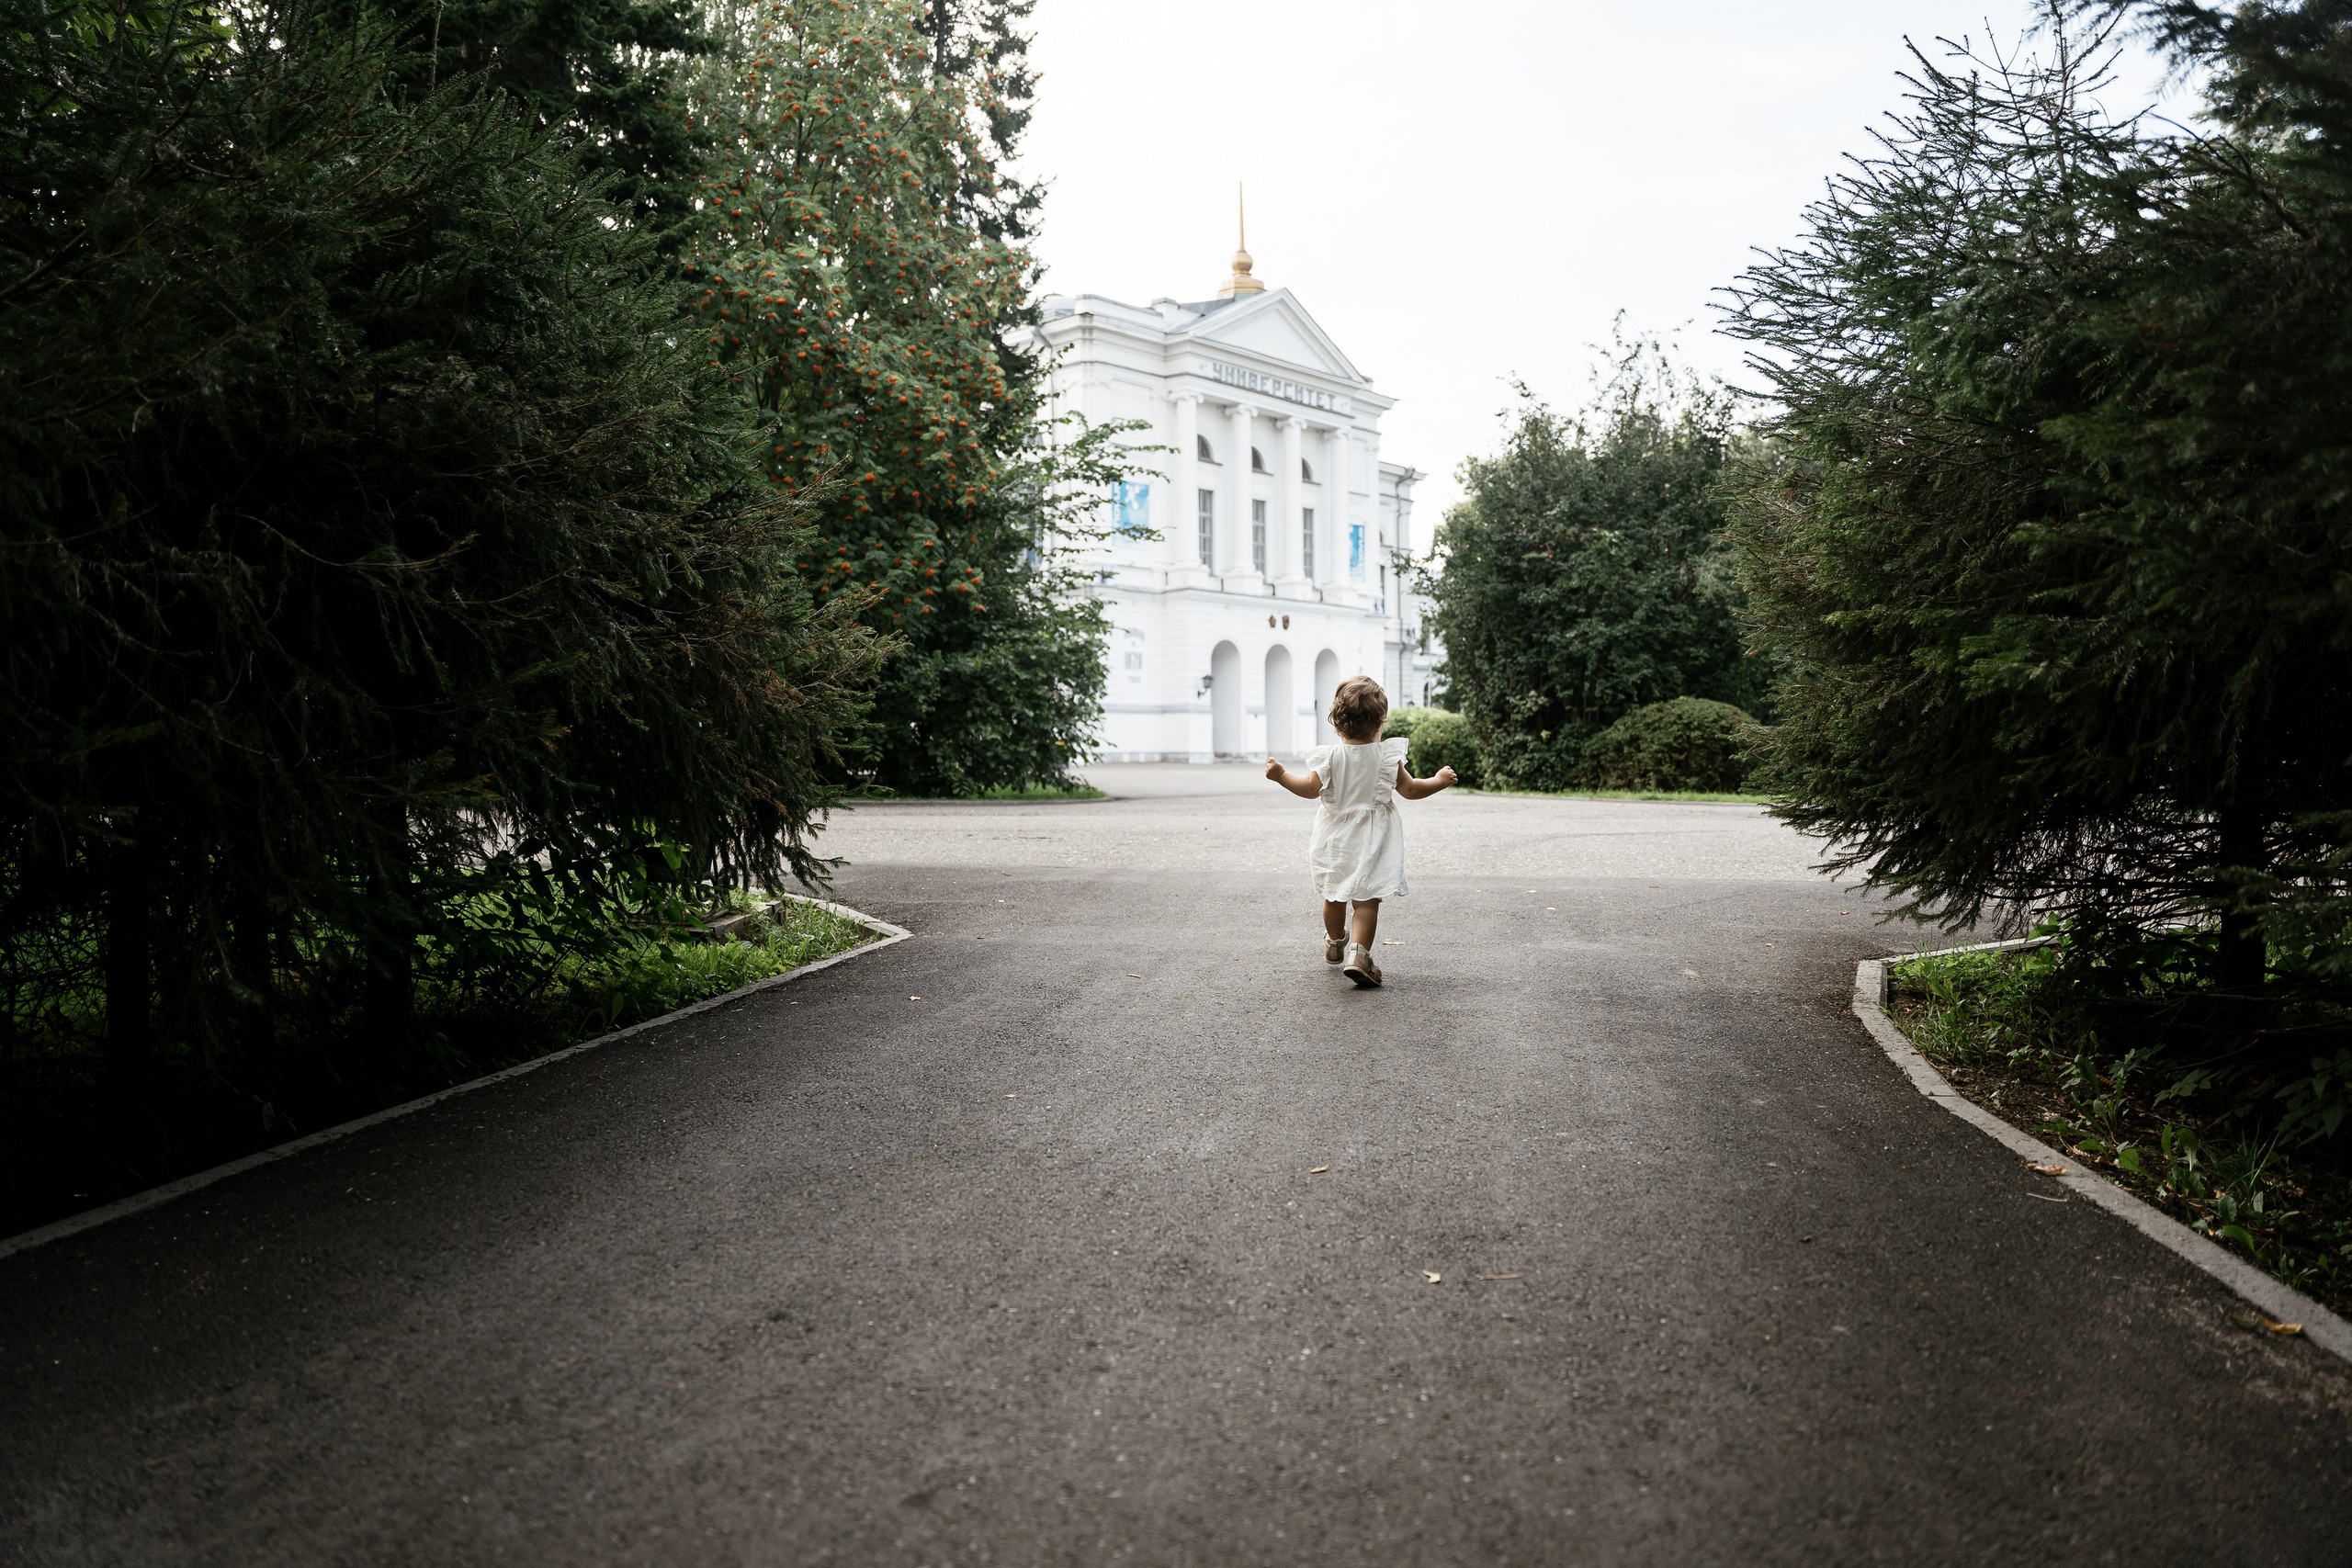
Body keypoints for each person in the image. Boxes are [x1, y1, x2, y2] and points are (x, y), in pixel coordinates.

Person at [1263, 675, 1457, 987]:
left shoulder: (1328, 757)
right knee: (1367, 900)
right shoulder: (1386, 756)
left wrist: (1281, 776)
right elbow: (1410, 790)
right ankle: (1359, 954)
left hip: (1335, 839)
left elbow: (1310, 789)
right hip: (1374, 839)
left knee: (1334, 894)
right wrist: (1438, 780)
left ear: (1336, 723)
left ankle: (1336, 940)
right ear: (1381, 721)